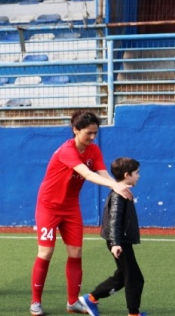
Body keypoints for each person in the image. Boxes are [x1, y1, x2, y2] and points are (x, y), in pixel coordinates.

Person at [30, 111, 133, 316]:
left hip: (70, 208)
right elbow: (87, 174)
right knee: (46, 252)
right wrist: (115, 186)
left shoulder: (93, 150)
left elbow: (102, 172)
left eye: (95, 133)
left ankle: (72, 303)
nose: (92, 137)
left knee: (76, 253)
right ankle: (35, 302)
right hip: (48, 206)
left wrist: (116, 185)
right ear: (75, 131)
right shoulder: (67, 150)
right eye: (88, 133)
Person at [79, 158, 146, 316]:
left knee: (123, 276)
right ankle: (133, 313)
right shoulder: (119, 195)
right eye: (137, 173)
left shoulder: (123, 191)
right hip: (119, 242)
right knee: (135, 278)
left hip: (120, 241)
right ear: (127, 174)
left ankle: (91, 298)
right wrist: (116, 243)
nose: (139, 176)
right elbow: (114, 219)